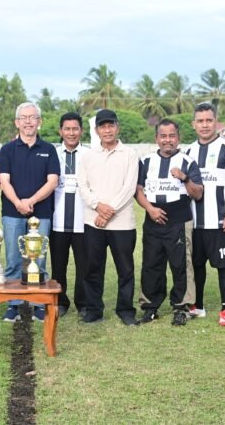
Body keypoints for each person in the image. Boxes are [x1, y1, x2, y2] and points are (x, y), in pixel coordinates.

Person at [135, 119, 203, 326]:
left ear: (178, 138)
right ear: (156, 138)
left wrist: (184, 178)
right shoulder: (145, 161)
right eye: (163, 136)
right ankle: (150, 308)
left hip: (179, 220)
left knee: (181, 265)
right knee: (151, 265)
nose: (167, 140)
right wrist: (150, 209)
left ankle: (181, 308)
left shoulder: (188, 162)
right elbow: (138, 190)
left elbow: (198, 193)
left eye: (171, 136)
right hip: (153, 219)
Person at [0, 102, 60, 322]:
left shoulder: (49, 149)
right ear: (17, 122)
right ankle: (13, 304)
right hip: (12, 213)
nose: (28, 121)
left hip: (40, 212)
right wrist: (18, 203)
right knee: (14, 260)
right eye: (23, 118)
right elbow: (4, 181)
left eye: (32, 117)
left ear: (39, 122)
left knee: (38, 260)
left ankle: (38, 303)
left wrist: (31, 201)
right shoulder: (7, 150)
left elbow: (53, 181)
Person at [77, 109, 139, 325]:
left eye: (111, 125)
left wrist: (108, 211)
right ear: (97, 130)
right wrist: (98, 206)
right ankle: (94, 309)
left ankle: (126, 310)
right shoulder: (88, 155)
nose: (107, 130)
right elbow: (82, 186)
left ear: (117, 127)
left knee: (125, 269)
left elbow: (129, 187)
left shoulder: (129, 154)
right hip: (93, 221)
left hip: (121, 223)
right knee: (92, 268)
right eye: (103, 126)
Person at [186, 102, 225, 327]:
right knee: (197, 265)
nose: (205, 125)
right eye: (200, 121)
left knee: (223, 265)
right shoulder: (188, 151)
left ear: (216, 122)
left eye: (209, 120)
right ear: (194, 124)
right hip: (195, 221)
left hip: (219, 220)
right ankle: (198, 306)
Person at [50, 112, 89, 318]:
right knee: (58, 265)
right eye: (67, 129)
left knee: (84, 264)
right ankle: (61, 301)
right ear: (61, 131)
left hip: (83, 220)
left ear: (81, 131)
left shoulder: (90, 155)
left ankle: (82, 303)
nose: (71, 133)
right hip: (58, 220)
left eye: (75, 129)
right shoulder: (53, 153)